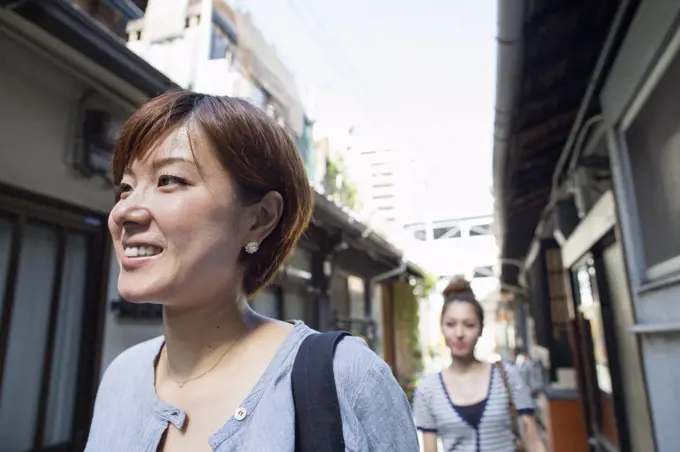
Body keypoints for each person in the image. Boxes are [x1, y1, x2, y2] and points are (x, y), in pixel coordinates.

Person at [85, 91, 418, 451]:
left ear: (259, 219)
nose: (125, 212)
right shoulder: (122, 376)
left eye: (169, 179)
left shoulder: (347, 379)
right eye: (125, 188)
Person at [414, 276, 546, 452]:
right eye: (451, 324)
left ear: (481, 329)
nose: (459, 333)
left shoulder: (507, 376)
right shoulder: (428, 389)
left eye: (469, 325)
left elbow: (534, 442)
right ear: (442, 328)